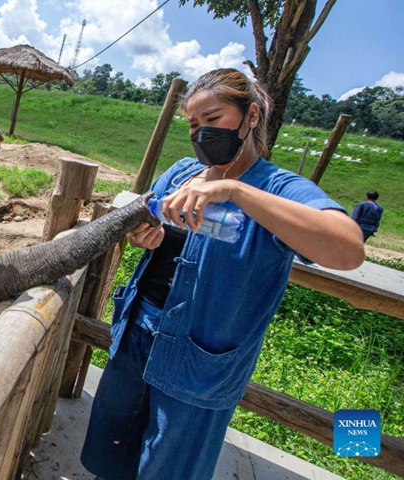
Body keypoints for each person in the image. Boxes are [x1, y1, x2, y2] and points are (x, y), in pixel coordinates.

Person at [80, 68, 364, 480]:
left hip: (201, 357)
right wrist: (149, 237)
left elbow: (347, 248)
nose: (201, 134)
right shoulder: (180, 173)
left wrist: (236, 191)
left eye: (213, 121)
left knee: (168, 462)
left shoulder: (277, 187)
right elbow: (157, 227)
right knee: (115, 443)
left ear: (250, 117)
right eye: (194, 125)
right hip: (141, 331)